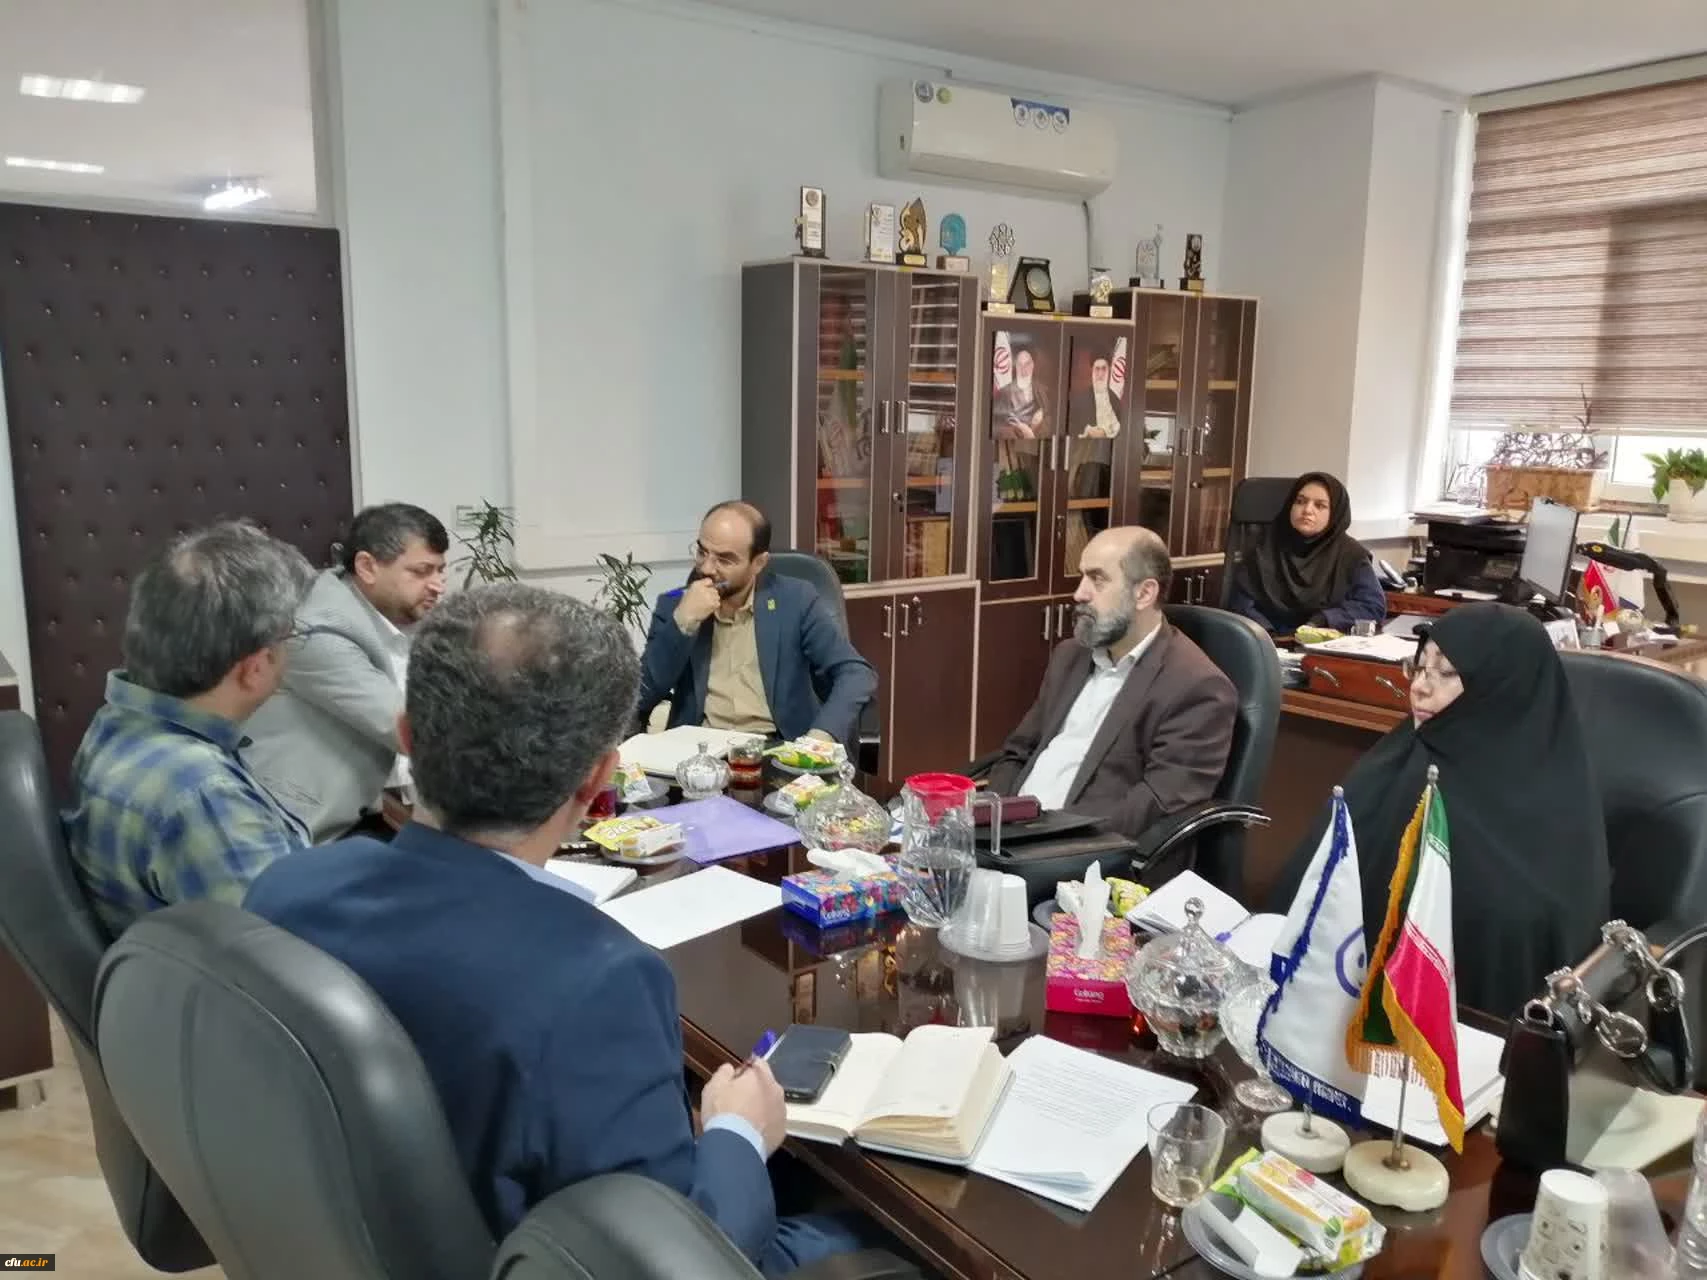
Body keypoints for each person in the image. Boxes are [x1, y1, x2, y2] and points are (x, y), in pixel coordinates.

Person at [243, 586, 869, 1276]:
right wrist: (736, 1132)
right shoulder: (597, 983)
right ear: (599, 777)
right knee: (871, 1228)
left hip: (364, 1241)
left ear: (408, 737)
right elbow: (680, 1254)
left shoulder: (287, 889)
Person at [1270, 603, 1610, 1017]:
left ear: (1502, 687)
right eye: (1418, 667)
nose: (1419, 687)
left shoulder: (1551, 801)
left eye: (1446, 673)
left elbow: (1521, 936)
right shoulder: (1400, 759)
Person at [63, 521, 316, 937]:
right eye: (291, 637)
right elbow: (296, 953)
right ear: (255, 668)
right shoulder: (204, 795)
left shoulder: (118, 720)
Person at [987, 527, 1236, 839]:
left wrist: (1047, 839)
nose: (1079, 593)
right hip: (1010, 836)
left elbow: (1153, 806)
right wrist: (989, 816)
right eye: (1082, 577)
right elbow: (1018, 752)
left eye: (1097, 579)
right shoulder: (1070, 656)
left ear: (1144, 593)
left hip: (1085, 849)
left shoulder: (1197, 687)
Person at [243, 503, 448, 841]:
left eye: (441, 570)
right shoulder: (313, 630)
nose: (438, 585)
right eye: (422, 572)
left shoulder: (399, 614)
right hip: (298, 828)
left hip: (372, 810)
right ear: (367, 567)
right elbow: (408, 728)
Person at [637, 501, 877, 747]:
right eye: (702, 552)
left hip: (777, 749)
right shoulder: (674, 605)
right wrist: (682, 624)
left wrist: (821, 736)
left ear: (758, 563)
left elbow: (855, 673)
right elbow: (641, 695)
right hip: (700, 751)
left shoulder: (795, 600)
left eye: (724, 560)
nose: (707, 568)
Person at [1227, 472, 1386, 633]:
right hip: (1269, 640)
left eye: (1320, 505)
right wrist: (1266, 634)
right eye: (1300, 501)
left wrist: (1324, 619)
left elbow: (1372, 606)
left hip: (1325, 640)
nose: (1307, 510)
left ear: (1335, 513)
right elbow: (1241, 604)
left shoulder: (1352, 555)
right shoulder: (1264, 547)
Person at [991, 346, 1049, 440]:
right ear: (1016, 366)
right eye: (1020, 364)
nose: (1024, 369)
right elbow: (996, 423)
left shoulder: (1042, 390)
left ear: (1032, 365)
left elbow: (1049, 415)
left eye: (1027, 364)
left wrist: (1039, 420)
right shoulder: (1005, 392)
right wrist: (1021, 429)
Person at [1065, 354, 1123, 439]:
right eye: (1097, 369)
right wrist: (1086, 431)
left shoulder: (1116, 401)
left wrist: (1106, 433)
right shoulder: (1079, 400)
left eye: (1104, 369)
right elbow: (1071, 428)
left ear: (1109, 371)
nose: (1100, 374)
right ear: (1092, 371)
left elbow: (1121, 432)